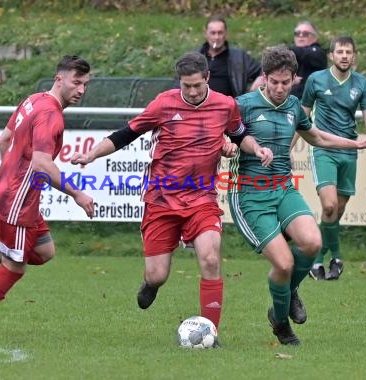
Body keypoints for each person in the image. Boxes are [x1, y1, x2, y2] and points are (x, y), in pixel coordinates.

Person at [70, 51, 273, 334]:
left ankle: (210, 333)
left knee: (211, 258)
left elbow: (240, 135)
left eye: (196, 86)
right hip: (161, 199)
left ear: (207, 78)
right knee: (158, 274)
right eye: (185, 85)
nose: (191, 91)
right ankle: (151, 283)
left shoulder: (225, 105)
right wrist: (91, 155)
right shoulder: (164, 103)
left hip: (202, 198)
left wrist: (256, 148)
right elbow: (126, 133)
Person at [229, 45, 366, 345]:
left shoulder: (293, 107)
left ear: (294, 80)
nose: (279, 88)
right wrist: (230, 145)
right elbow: (223, 134)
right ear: (264, 78)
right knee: (284, 264)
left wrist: (358, 144)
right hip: (250, 196)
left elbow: (318, 136)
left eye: (286, 82)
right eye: (274, 82)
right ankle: (281, 324)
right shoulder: (243, 104)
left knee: (313, 243)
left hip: (283, 189)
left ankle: (286, 296)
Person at [0, 55, 95, 335]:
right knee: (14, 267)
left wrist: (11, 175)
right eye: (76, 83)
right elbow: (42, 164)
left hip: (16, 195)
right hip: (18, 200)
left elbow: (3, 140)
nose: (81, 90)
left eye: (85, 84)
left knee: (43, 252)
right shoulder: (51, 115)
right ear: (59, 79)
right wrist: (77, 194)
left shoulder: (34, 99)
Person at [301, 36, 366, 281]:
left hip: (349, 150)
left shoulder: (361, 83)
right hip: (323, 149)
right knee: (328, 205)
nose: (344, 55)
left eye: (348, 52)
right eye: (339, 51)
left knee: (336, 212)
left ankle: (317, 260)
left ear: (354, 56)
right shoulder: (316, 80)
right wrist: (286, 151)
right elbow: (302, 116)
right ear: (331, 55)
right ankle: (337, 256)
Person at [250, 20, 327, 99]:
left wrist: (280, 50)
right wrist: (261, 77)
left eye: (305, 34)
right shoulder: (289, 54)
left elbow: (304, 53)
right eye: (297, 33)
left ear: (315, 38)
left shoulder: (318, 52)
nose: (300, 35)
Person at [193, 15, 261, 97]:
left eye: (220, 33)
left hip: (229, 106)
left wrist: (261, 78)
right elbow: (180, 81)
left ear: (226, 34)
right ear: (206, 34)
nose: (216, 37)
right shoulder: (195, 56)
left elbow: (265, 69)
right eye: (213, 33)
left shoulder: (239, 57)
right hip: (200, 105)